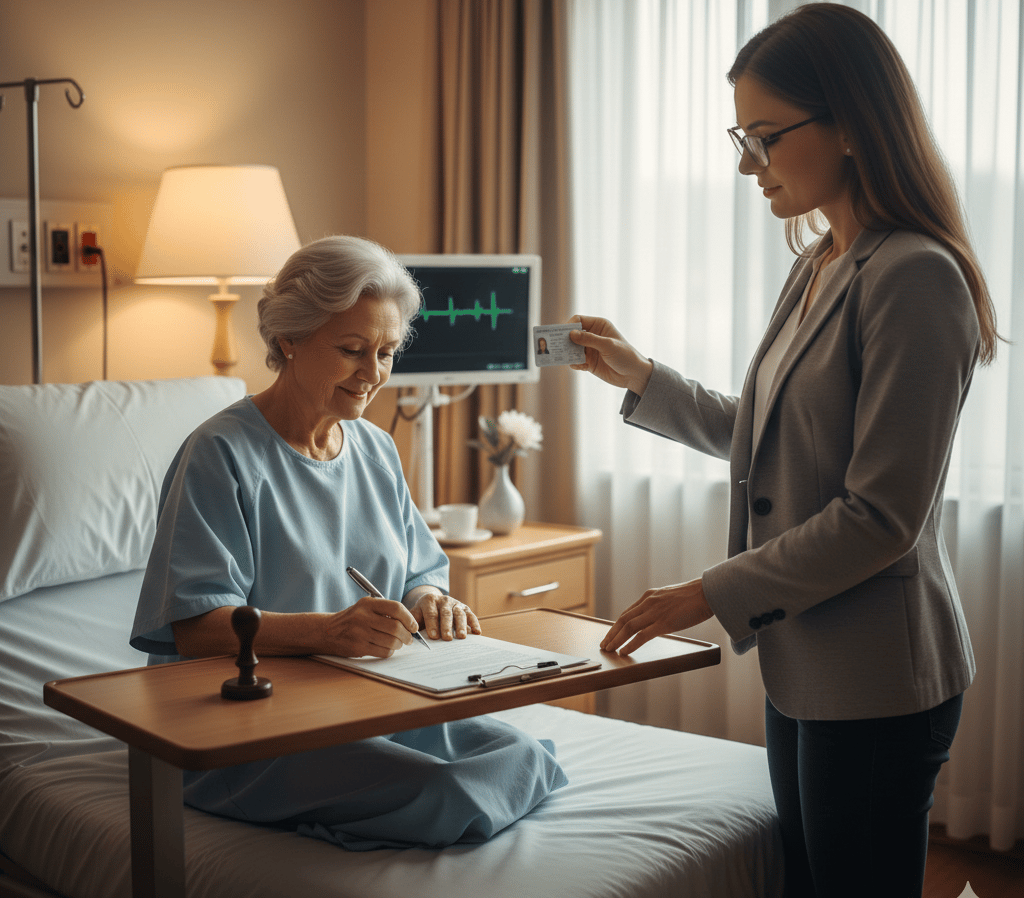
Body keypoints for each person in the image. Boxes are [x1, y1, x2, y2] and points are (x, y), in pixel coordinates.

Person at [569, 5, 998, 897]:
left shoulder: (916, 277)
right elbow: (765, 436)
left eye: (763, 137)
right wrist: (639, 376)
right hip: (807, 665)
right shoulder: (820, 263)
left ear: (848, 124)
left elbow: (879, 516)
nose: (742, 164)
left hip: (879, 679)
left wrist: (708, 592)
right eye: (741, 135)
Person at [131, 234, 566, 851]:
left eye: (387, 352)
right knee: (449, 792)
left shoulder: (375, 449)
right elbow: (194, 628)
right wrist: (327, 633)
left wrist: (430, 599)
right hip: (245, 725)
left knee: (527, 756)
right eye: (353, 350)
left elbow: (420, 569)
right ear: (289, 341)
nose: (374, 374)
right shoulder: (220, 453)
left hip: (368, 702)